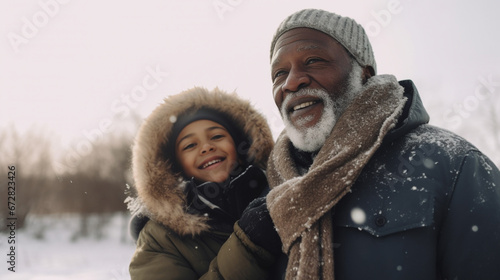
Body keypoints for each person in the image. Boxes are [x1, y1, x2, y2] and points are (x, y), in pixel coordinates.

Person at [232, 8, 500, 280]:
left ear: (364, 73)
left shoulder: (452, 164)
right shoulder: (265, 195)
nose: (291, 82)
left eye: (313, 60)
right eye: (279, 73)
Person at [126, 87, 275, 279]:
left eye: (217, 136)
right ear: (174, 166)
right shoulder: (158, 239)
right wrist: (249, 247)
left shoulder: (280, 194)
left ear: (240, 146)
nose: (206, 147)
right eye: (190, 145)